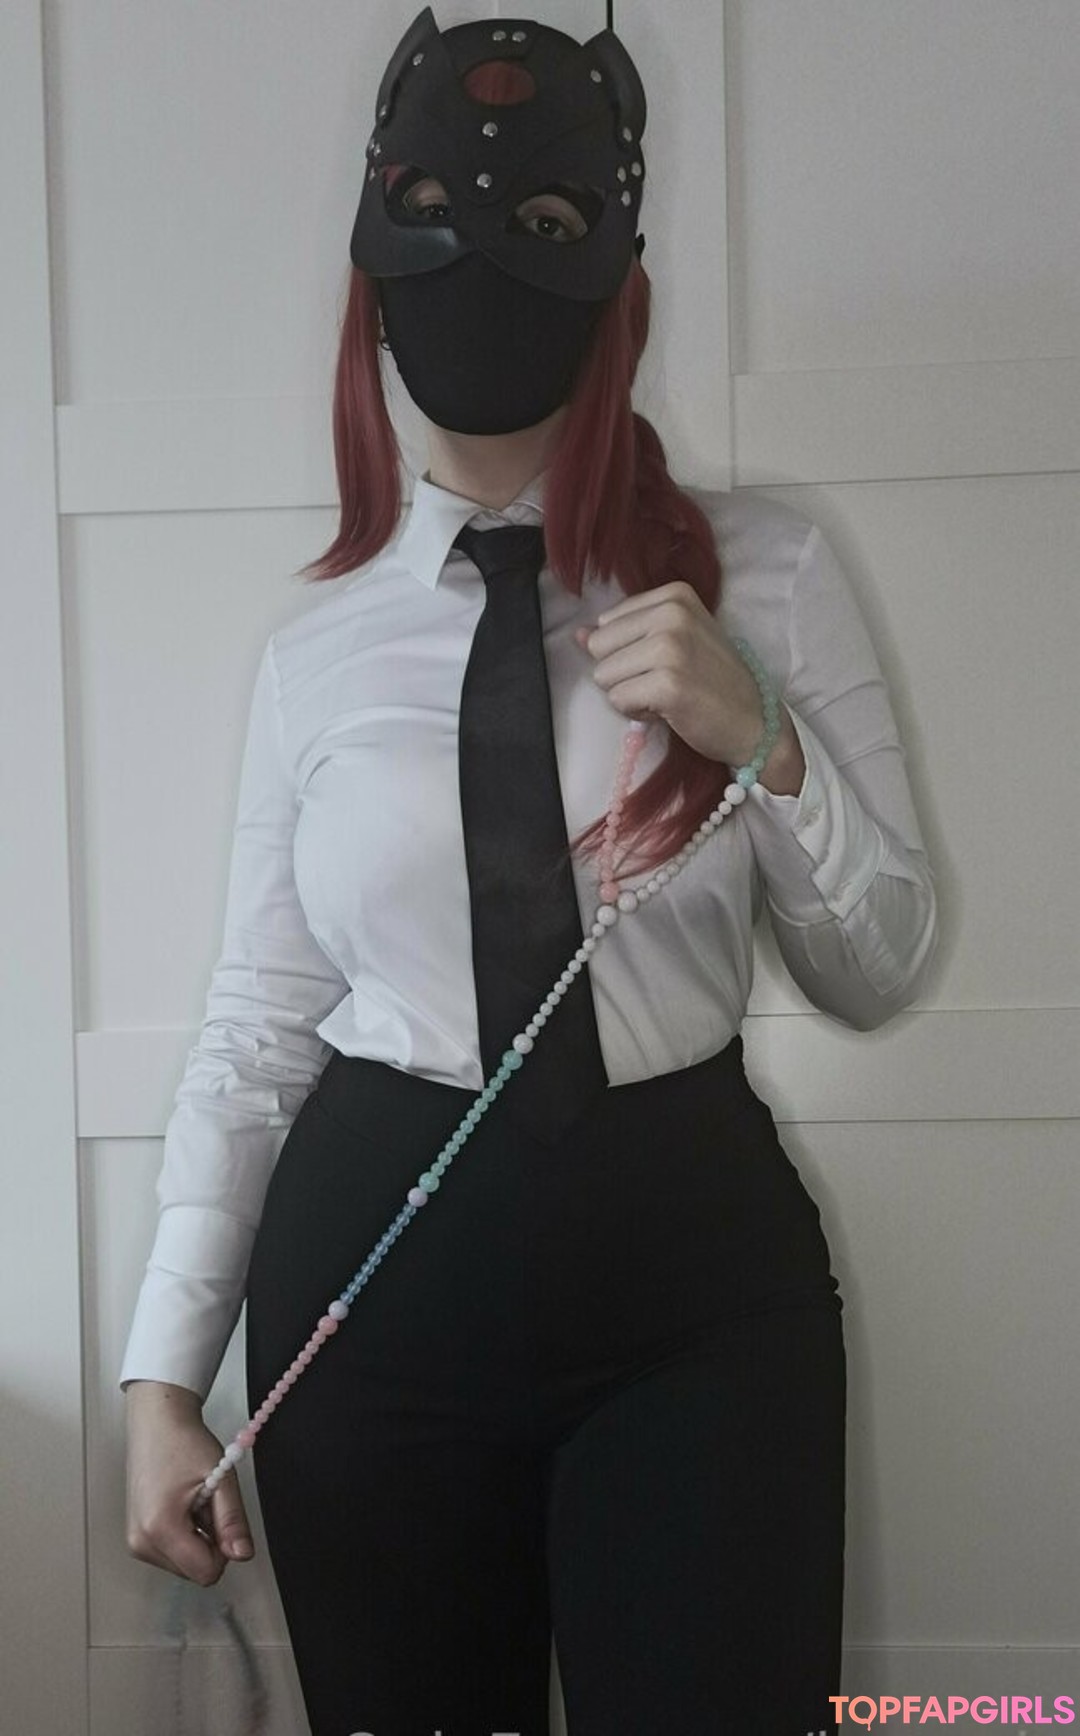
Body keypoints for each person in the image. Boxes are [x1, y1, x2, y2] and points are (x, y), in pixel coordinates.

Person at [123, 8, 940, 1734]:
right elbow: (260, 1024)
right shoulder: (320, 654)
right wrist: (158, 1378)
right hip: (374, 1293)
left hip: (692, 1298)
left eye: (548, 220)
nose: (484, 259)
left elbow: (879, 967)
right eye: (433, 209)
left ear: (617, 276)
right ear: (372, 267)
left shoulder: (766, 578)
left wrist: (764, 736)